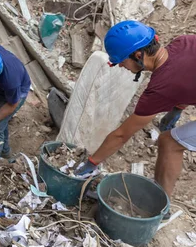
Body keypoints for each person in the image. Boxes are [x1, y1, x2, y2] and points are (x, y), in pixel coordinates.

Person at [75, 20, 196, 204]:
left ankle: (160, 205)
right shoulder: (183, 42)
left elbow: (121, 136)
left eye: (122, 61)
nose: (121, 66)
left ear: (138, 55)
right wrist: (177, 109)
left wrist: (91, 163)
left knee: (169, 143)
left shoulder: (160, 88)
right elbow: (188, 79)